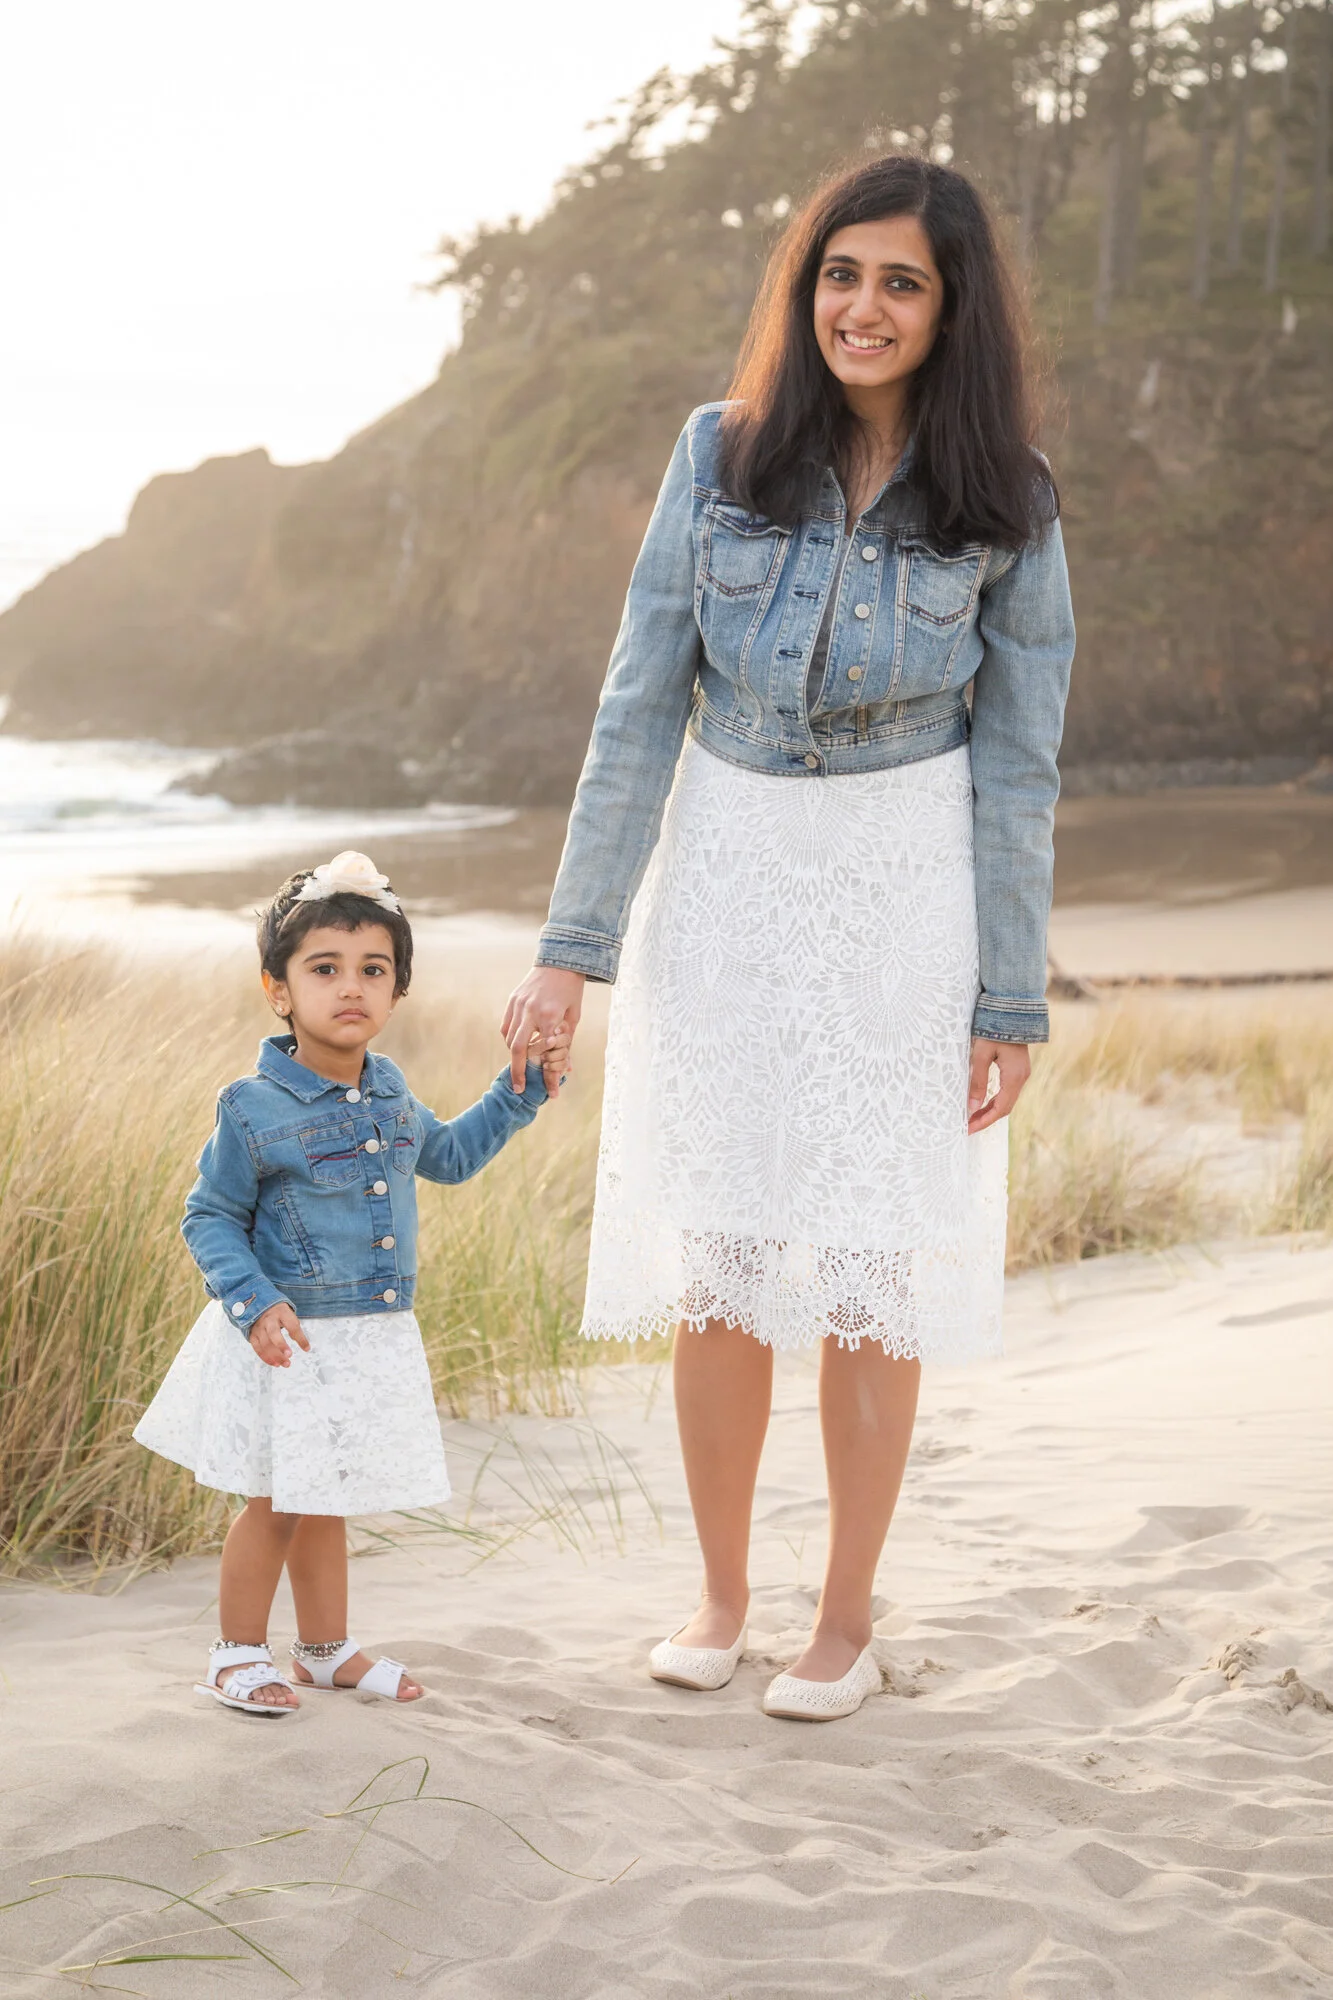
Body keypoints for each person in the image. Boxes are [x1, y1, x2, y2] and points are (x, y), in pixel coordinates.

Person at [502, 155, 1076, 1723]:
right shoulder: (721, 454)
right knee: (728, 1252)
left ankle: (843, 1618)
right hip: (733, 863)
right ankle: (720, 1592)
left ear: (948, 308)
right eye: (839, 273)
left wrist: (1006, 996)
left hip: (904, 883)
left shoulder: (1005, 499)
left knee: (871, 1264)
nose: (862, 307)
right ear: (801, 287)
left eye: (900, 281)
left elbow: (1021, 761)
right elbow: (636, 708)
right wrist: (570, 951)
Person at [135, 850, 569, 1714]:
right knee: (277, 1504)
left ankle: (326, 1650)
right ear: (278, 989)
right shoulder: (252, 1107)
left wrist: (516, 1095)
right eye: (324, 969)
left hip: (367, 1332)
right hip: (289, 1338)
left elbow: (442, 1156)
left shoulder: (388, 1092)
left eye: (374, 970)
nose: (351, 987)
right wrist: (254, 1302)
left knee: (326, 1496)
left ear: (396, 992)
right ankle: (236, 1652)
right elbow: (208, 1216)